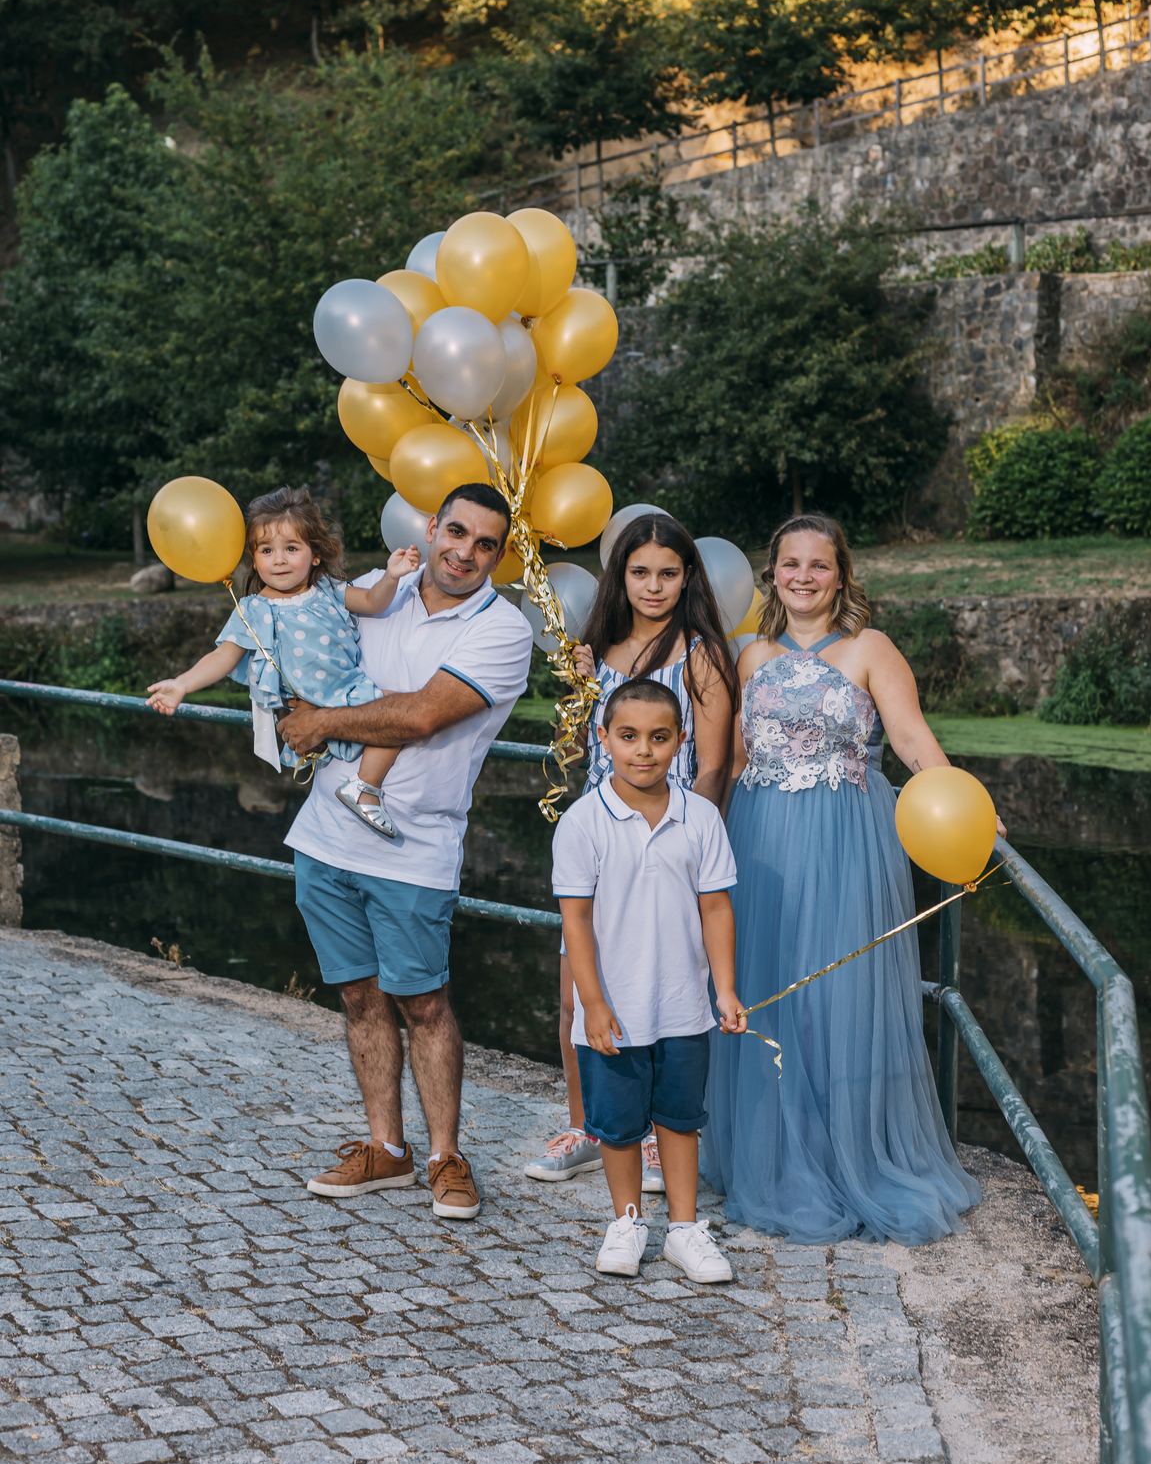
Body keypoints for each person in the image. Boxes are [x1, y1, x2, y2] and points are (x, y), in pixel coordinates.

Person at [702, 513, 986, 1246]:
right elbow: (737, 758)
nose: (803, 576)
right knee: (767, 987)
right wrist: (706, 843)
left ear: (840, 576)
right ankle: (770, 1153)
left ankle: (846, 1155)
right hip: (760, 838)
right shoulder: (750, 654)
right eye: (790, 564)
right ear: (772, 575)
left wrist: (964, 804)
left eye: (818, 565)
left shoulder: (871, 648)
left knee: (837, 995)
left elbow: (912, 738)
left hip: (845, 838)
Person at [274, 483, 532, 1221]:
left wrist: (324, 721)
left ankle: (447, 1156)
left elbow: (420, 716)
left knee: (424, 1003)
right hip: (325, 836)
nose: (465, 552)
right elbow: (306, 651)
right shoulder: (372, 591)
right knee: (358, 997)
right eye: (457, 532)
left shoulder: (503, 630)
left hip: (413, 845)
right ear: (432, 526)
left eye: (485, 544)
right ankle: (387, 1148)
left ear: (499, 555)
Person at [523, 512, 738, 1194]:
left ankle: (652, 1137)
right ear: (620, 575)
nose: (653, 586)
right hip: (601, 837)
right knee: (577, 994)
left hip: (668, 840)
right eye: (640, 571)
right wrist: (577, 687)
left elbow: (714, 763)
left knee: (663, 1001)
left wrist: (693, 847)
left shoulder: (701, 654)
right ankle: (589, 1127)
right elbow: (580, 745)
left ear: (687, 577)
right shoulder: (599, 645)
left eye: (668, 573)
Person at [553, 679, 746, 1280]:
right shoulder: (582, 823)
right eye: (629, 736)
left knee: (681, 1118)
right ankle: (628, 1221)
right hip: (612, 1008)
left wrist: (725, 989)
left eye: (659, 738)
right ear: (603, 738)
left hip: (682, 1004)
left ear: (681, 740)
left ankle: (684, 1230)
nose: (644, 750)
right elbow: (575, 922)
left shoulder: (701, 817)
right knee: (618, 1125)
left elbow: (716, 908)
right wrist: (592, 1002)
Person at [147, 487, 421, 837]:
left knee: (399, 715)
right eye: (267, 550)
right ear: (253, 558)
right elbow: (223, 655)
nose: (279, 560)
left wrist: (392, 576)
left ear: (315, 555)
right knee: (397, 717)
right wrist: (181, 684)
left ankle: (363, 784)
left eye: (291, 548)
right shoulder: (254, 609)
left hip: (349, 690)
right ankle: (365, 790)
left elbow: (373, 601)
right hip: (317, 703)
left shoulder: (328, 590)